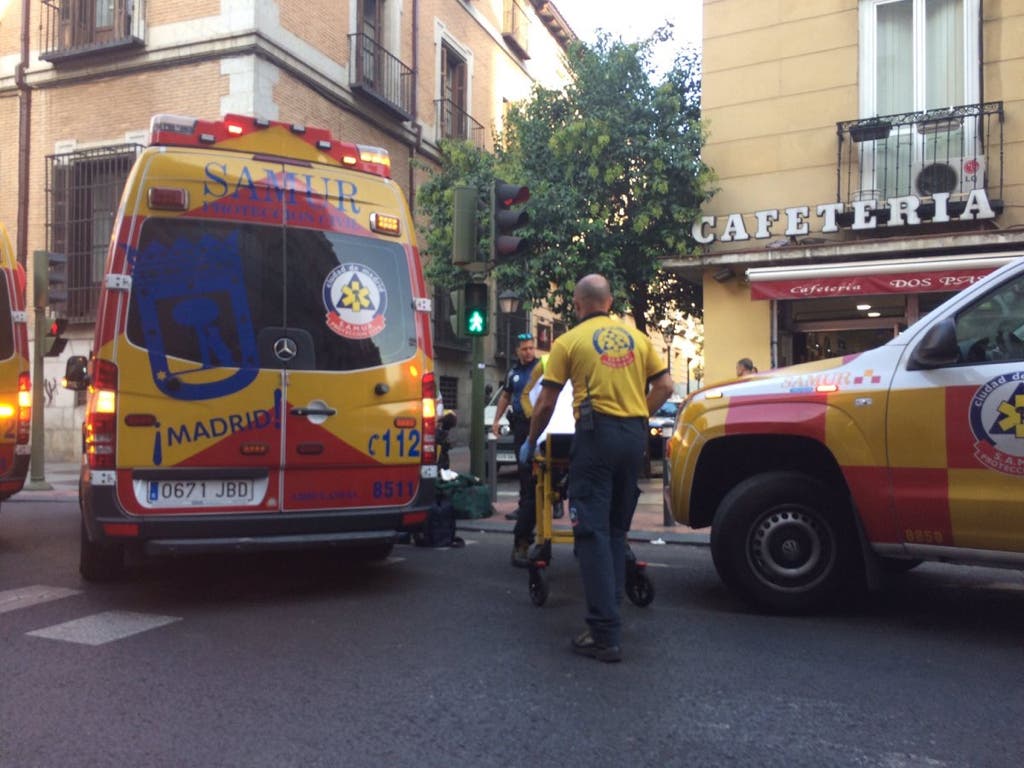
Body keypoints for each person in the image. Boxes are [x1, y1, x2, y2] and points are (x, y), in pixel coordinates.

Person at [520, 275, 673, 663]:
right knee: (615, 530)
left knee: (590, 532)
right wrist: (638, 416)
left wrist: (531, 440)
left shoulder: (567, 342)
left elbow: (545, 403)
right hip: (633, 439)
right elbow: (666, 387)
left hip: (595, 435)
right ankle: (613, 614)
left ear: (577, 304)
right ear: (610, 301)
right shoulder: (638, 339)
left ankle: (604, 633)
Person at [492, 332, 540, 532]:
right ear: (517, 351)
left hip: (539, 423)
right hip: (520, 424)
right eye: (524, 349)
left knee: (543, 465)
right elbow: (505, 396)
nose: (528, 352)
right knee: (523, 467)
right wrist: (496, 420)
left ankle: (551, 504)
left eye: (531, 348)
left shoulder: (541, 368)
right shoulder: (512, 373)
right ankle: (524, 506)